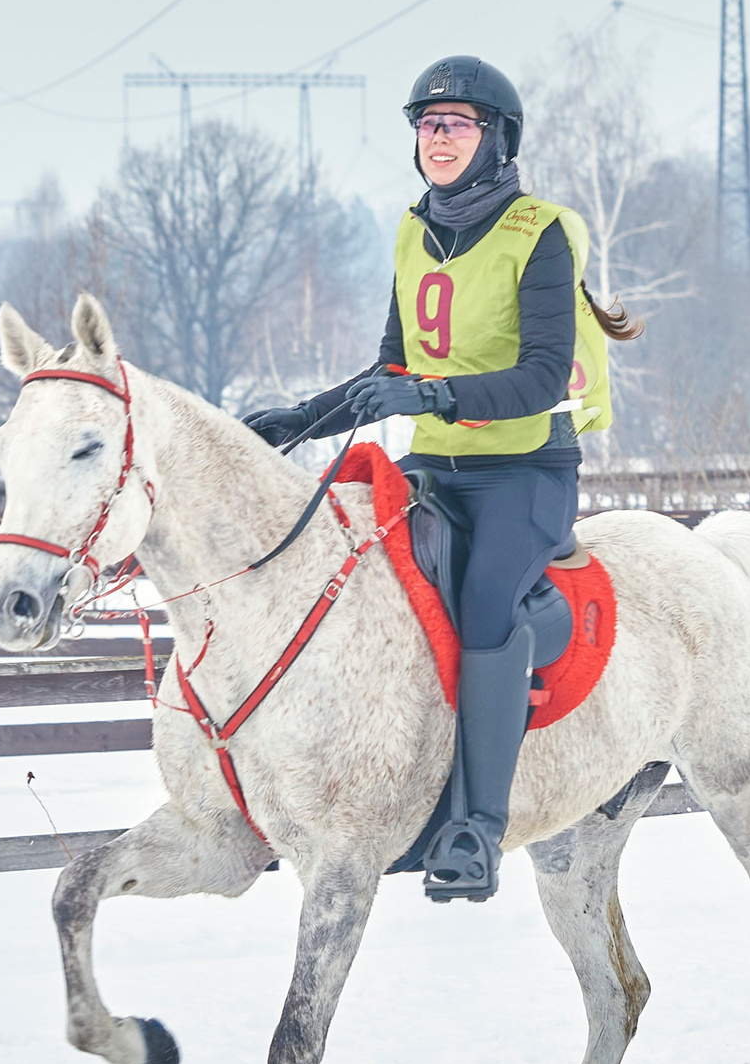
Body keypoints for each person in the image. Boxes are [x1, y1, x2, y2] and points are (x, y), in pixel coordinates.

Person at [242, 54, 640, 902]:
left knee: (489, 603)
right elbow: (392, 364)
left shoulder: (543, 231)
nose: (439, 138)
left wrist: (432, 393)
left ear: (497, 137)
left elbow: (539, 377)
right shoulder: (413, 229)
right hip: (435, 470)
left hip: (524, 473)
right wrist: (296, 421)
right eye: (427, 125)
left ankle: (477, 829)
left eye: (456, 124)